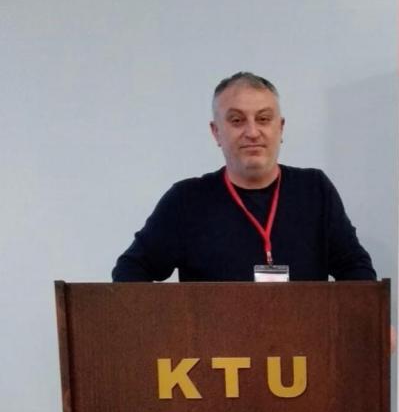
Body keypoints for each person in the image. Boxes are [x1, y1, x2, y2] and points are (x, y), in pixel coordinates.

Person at [112, 72, 376, 282]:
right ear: (216, 132)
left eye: (263, 119)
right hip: (216, 337)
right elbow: (131, 270)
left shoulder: (314, 191)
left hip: (302, 336)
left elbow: (355, 268)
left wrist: (371, 323)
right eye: (237, 121)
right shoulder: (186, 200)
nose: (252, 132)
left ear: (280, 127)